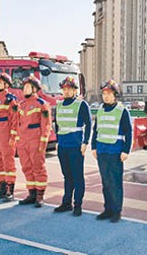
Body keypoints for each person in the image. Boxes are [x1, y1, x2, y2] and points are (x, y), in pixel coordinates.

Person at [92, 79, 132, 223]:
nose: (106, 96)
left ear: (115, 95)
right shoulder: (100, 110)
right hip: (102, 151)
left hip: (116, 152)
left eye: (109, 93)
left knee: (115, 183)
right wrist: (93, 147)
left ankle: (117, 211)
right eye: (104, 93)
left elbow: (129, 132)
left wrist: (126, 151)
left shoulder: (122, 111)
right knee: (105, 182)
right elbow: (95, 130)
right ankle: (107, 209)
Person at [53, 77, 91, 217]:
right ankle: (66, 203)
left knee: (77, 177)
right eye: (64, 89)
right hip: (62, 146)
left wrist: (85, 142)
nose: (66, 91)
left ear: (75, 90)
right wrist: (57, 141)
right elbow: (57, 125)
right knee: (67, 176)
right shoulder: (59, 105)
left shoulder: (81, 105)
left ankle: (78, 205)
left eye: (69, 89)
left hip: (76, 146)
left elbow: (89, 124)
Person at [17, 75, 51, 208]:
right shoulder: (21, 105)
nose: (24, 89)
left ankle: (40, 196)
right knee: (26, 167)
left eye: (27, 87)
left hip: (35, 141)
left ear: (34, 89)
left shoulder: (41, 104)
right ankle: (31, 193)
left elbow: (46, 125)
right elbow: (17, 124)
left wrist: (43, 142)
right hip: (23, 142)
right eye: (24, 87)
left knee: (38, 167)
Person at [0, 73, 19, 202]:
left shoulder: (10, 99)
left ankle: (10, 190)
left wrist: (13, 136)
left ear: (6, 85)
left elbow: (15, 119)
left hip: (6, 135)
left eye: (1, 83)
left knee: (8, 162)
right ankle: (2, 187)